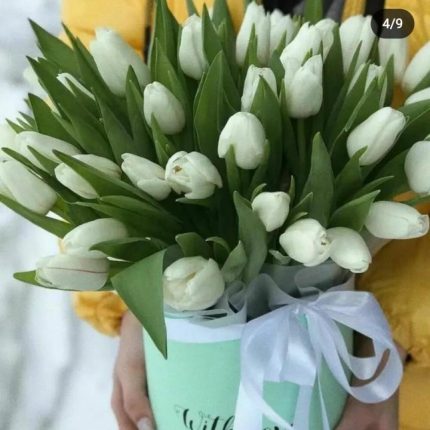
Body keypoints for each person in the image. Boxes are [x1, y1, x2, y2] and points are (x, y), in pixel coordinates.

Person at [63, 1, 430, 429]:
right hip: (187, 331)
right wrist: (138, 299)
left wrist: (391, 330)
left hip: (385, 364)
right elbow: (94, 70)